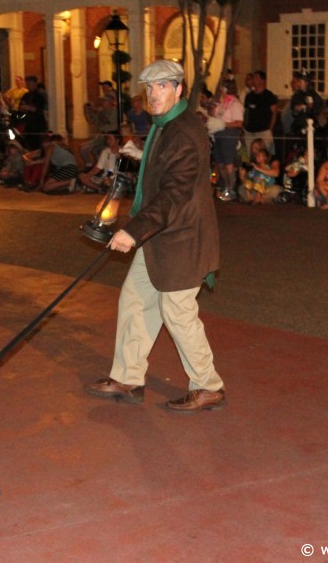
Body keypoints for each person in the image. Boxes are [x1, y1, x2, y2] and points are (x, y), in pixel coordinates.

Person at [83, 60, 225, 413]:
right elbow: (168, 162)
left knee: (177, 313)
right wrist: (142, 154)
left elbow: (175, 192)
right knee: (135, 299)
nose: (153, 94)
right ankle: (128, 378)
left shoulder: (185, 130)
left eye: (161, 86)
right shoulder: (167, 125)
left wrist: (132, 231)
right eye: (149, 88)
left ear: (179, 89)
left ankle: (208, 386)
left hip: (181, 238)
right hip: (160, 238)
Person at [209, 77, 244, 201]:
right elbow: (213, 115)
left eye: (222, 87)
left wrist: (224, 125)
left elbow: (239, 123)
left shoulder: (235, 104)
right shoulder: (221, 102)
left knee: (228, 163)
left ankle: (231, 189)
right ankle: (225, 185)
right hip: (218, 133)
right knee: (220, 162)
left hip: (229, 133)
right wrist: (214, 105)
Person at [242, 70, 278, 155]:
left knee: (265, 154)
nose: (254, 80)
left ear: (263, 80)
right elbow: (246, 111)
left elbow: (274, 113)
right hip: (250, 131)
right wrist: (244, 127)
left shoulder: (269, 96)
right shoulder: (249, 96)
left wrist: (270, 129)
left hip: (264, 131)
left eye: (256, 78)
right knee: (250, 153)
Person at [238, 138, 280, 204]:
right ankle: (258, 199)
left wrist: (258, 169)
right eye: (252, 148)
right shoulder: (253, 162)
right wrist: (242, 176)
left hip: (268, 186)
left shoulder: (272, 160)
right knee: (241, 188)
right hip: (255, 186)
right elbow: (248, 179)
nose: (253, 150)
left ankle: (258, 199)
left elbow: (275, 173)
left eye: (255, 148)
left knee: (276, 190)